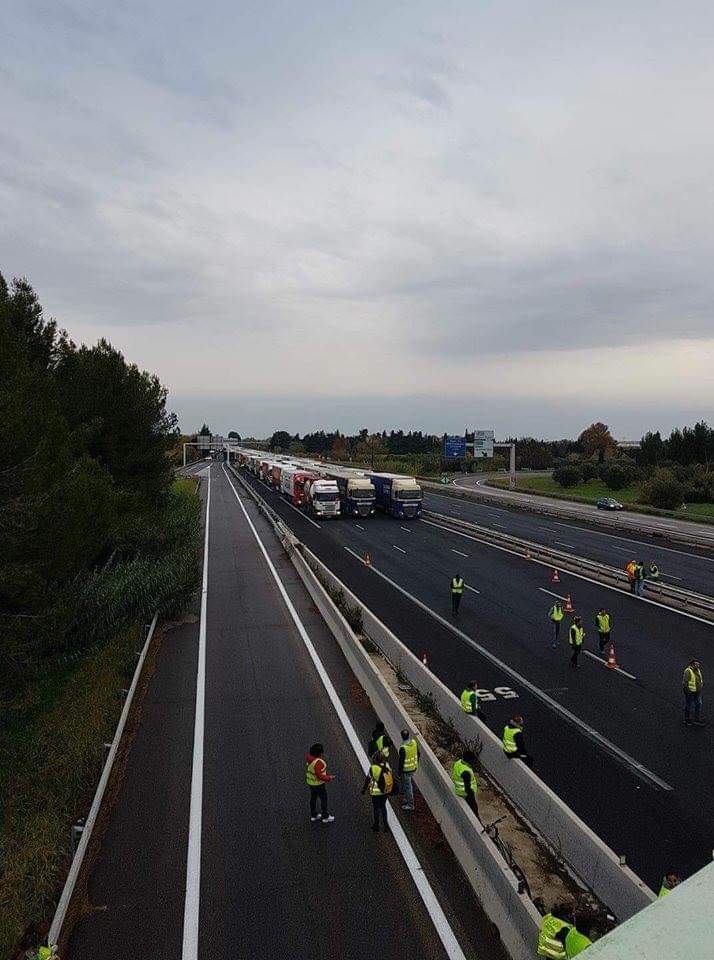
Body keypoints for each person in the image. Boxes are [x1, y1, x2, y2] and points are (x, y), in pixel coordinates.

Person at [362, 751, 393, 831]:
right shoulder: (387, 765)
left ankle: (376, 825)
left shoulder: (373, 768)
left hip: (376, 792)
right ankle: (386, 825)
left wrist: (364, 790)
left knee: (376, 808)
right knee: (383, 806)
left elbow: (368, 780)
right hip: (385, 791)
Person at [305, 743, 336, 823]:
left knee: (313, 798)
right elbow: (319, 775)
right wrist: (329, 778)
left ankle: (313, 815)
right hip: (319, 784)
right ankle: (325, 816)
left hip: (311, 783)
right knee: (323, 799)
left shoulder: (309, 759)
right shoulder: (318, 762)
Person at [452, 749, 479, 820]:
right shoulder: (466, 771)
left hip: (458, 789)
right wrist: (471, 794)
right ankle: (477, 820)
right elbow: (467, 788)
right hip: (465, 793)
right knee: (474, 808)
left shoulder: (458, 763)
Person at [397, 728, 420, 811]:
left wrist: (399, 773)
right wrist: (415, 763)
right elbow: (418, 754)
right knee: (407, 784)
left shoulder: (403, 748)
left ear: (402, 736)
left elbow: (401, 762)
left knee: (408, 787)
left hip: (406, 770)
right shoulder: (414, 742)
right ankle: (407, 798)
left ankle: (410, 804)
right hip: (413, 767)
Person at [682, 659, 704, 727]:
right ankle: (686, 719)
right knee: (688, 705)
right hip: (690, 692)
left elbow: (700, 679)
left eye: (698, 664)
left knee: (699, 704)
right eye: (697, 664)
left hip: (697, 692)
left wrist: (700, 687)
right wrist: (688, 691)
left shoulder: (698, 670)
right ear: (692, 665)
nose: (698, 665)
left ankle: (697, 718)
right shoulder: (688, 671)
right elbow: (685, 683)